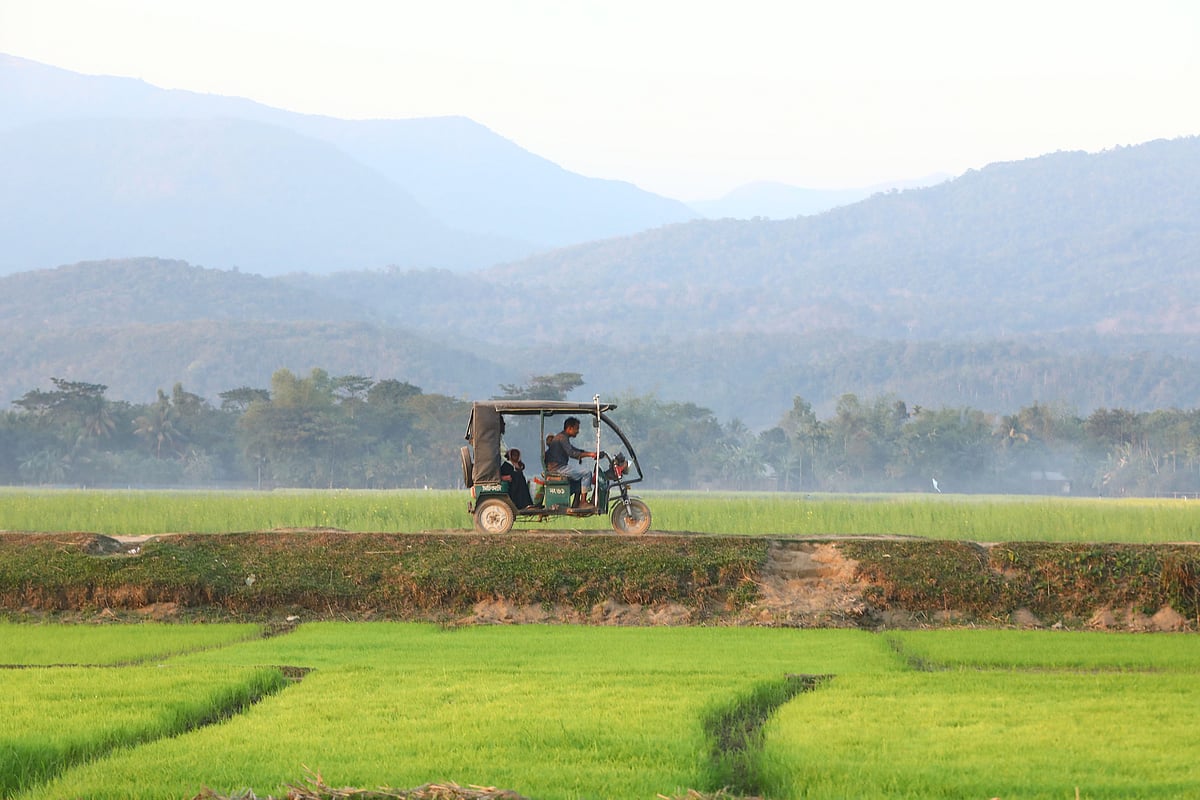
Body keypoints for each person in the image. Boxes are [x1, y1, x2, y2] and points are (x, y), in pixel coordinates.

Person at [544, 416, 600, 506]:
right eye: (576, 428)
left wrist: (589, 453)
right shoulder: (562, 438)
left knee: (579, 478)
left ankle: (576, 503)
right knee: (587, 473)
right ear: (569, 428)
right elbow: (572, 453)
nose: (578, 431)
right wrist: (590, 454)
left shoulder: (562, 437)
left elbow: (574, 449)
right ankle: (583, 502)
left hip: (558, 467)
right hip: (558, 469)